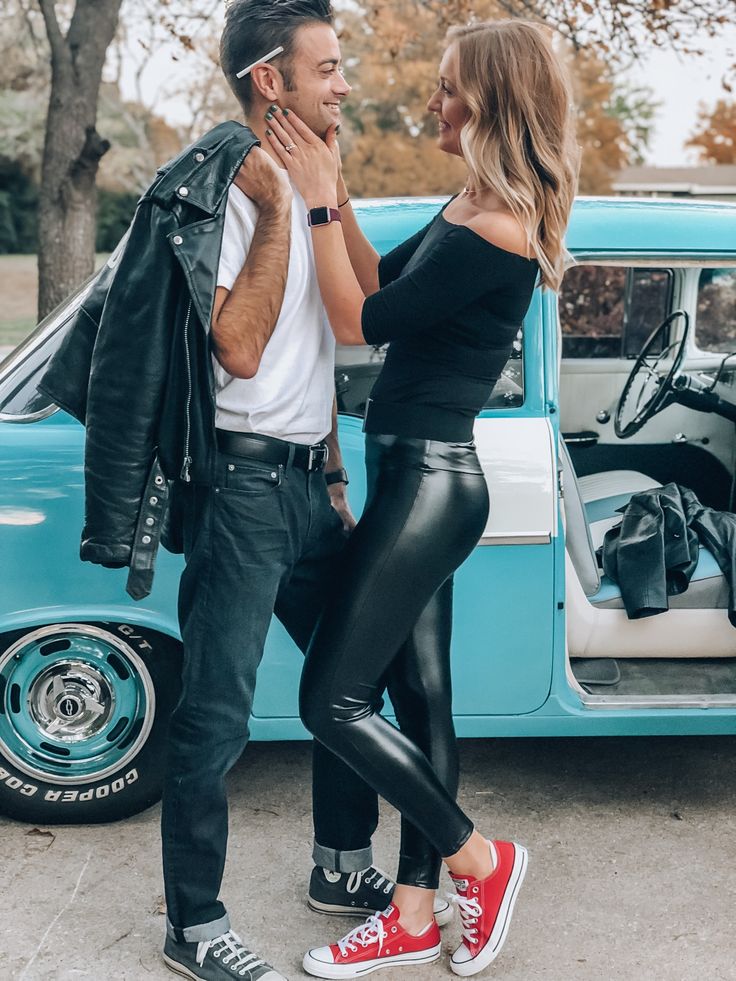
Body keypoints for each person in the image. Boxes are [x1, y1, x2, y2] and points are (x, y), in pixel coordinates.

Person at [40, 3, 445, 980]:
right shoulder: (232, 185)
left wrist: (336, 470)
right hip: (243, 494)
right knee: (215, 718)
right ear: (273, 80)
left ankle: (340, 867)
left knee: (351, 684)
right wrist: (275, 210)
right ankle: (194, 924)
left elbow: (347, 331)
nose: (345, 84)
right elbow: (240, 346)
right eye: (329, 68)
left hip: (309, 486)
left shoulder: (311, 181)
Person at [264, 18, 579, 978]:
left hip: (432, 481)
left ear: (489, 98)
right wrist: (338, 191)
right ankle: (410, 916)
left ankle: (482, 860)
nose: (430, 102)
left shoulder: (500, 227)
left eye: (445, 87)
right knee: (419, 694)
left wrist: (317, 207)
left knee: (330, 697)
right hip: (417, 475)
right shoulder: (470, 203)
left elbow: (357, 322)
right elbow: (374, 279)